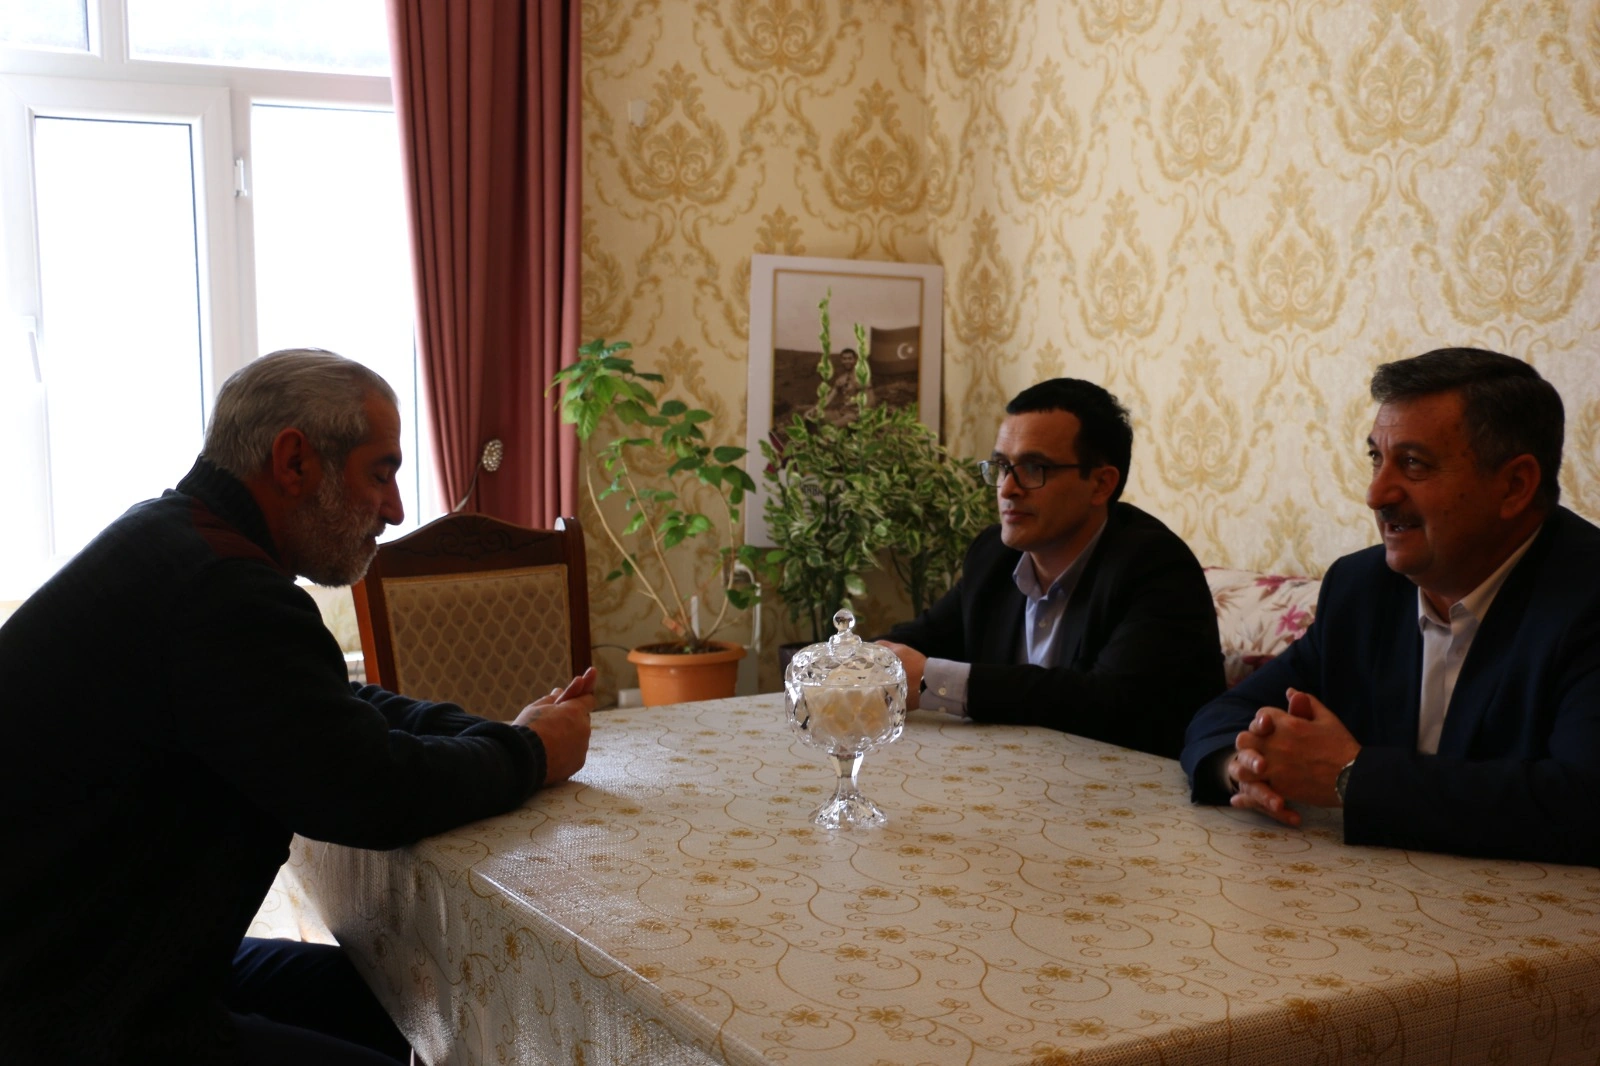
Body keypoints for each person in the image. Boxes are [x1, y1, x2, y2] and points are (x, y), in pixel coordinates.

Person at [0, 349, 595, 1064]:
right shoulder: (220, 592)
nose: (396, 510)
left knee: (410, 994)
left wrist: (495, 732)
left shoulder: (176, 538)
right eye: (380, 473)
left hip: (110, 962)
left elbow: (323, 705)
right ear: (294, 462)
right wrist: (531, 754)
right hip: (72, 1013)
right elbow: (373, 792)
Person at [1181, 348, 1600, 865]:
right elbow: (1224, 715)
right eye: (1377, 458)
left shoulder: (1587, 598)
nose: (1376, 494)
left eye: (1414, 463)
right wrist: (1242, 764)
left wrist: (1351, 777)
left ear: (1514, 486)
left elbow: (1583, 803)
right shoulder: (1362, 587)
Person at [877, 378, 1224, 758]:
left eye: (1033, 468)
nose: (1007, 489)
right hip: (1014, 774)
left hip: (1132, 784)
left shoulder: (1156, 567)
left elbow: (1113, 704)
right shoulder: (993, 556)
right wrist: (852, 660)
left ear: (1100, 484)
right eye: (1001, 466)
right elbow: (922, 639)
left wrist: (935, 681)